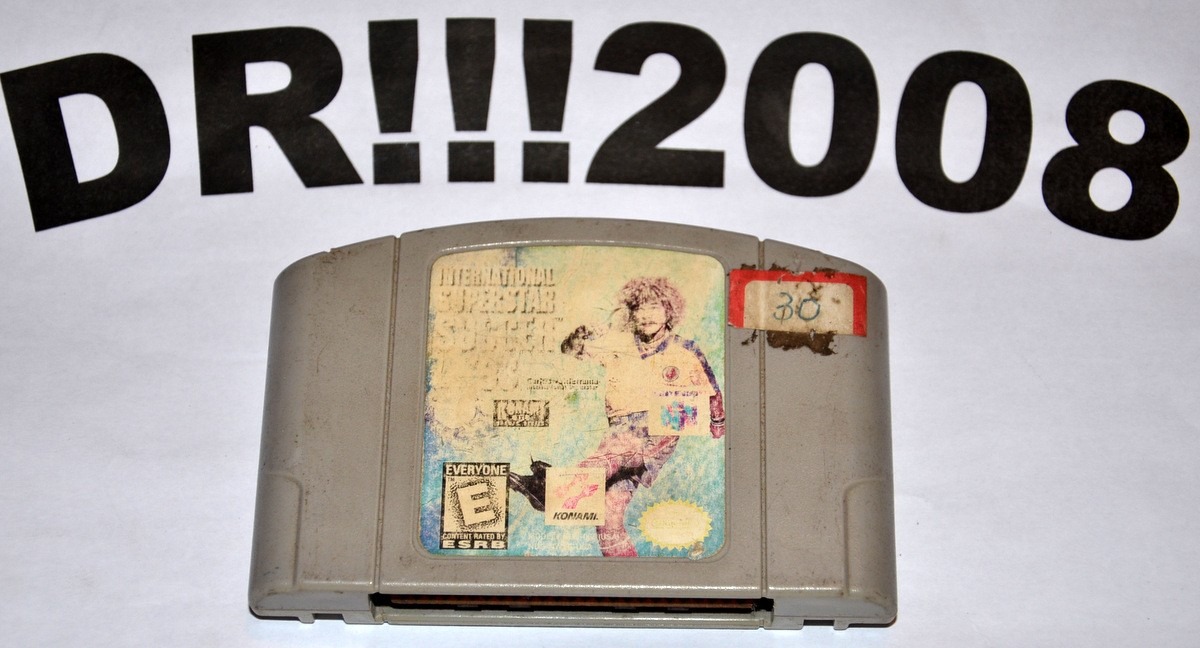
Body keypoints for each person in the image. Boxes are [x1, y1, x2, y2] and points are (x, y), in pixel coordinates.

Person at [509, 277, 724, 556]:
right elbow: (569, 350)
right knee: (608, 514)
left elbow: (713, 392)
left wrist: (718, 425)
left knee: (619, 448)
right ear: (631, 314)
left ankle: (554, 490)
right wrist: (579, 335)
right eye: (639, 309)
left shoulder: (685, 350)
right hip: (620, 429)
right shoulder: (618, 344)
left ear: (669, 311)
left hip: (657, 428)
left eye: (654, 307)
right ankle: (628, 573)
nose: (646, 315)